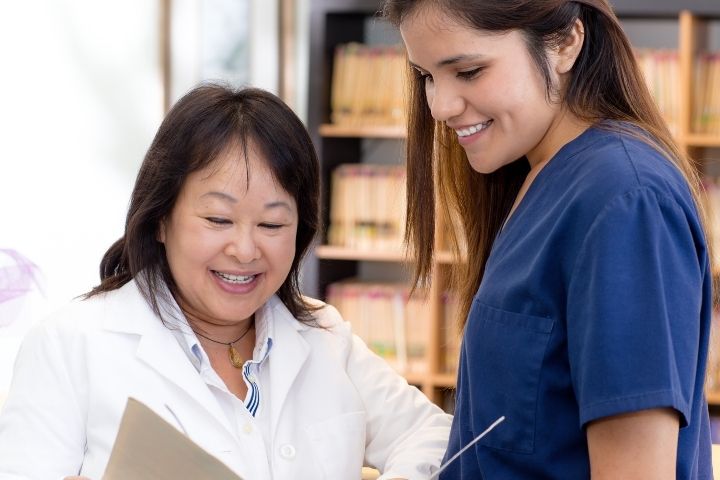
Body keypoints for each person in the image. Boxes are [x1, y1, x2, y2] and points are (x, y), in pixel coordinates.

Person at [0, 84, 452, 480]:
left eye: (272, 225)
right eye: (218, 219)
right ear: (160, 218)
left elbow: (437, 437)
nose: (245, 250)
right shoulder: (68, 345)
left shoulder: (325, 335)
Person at [383, 0, 713, 478]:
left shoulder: (623, 198)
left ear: (566, 43)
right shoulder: (534, 173)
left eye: (470, 71)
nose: (440, 106)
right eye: (427, 77)